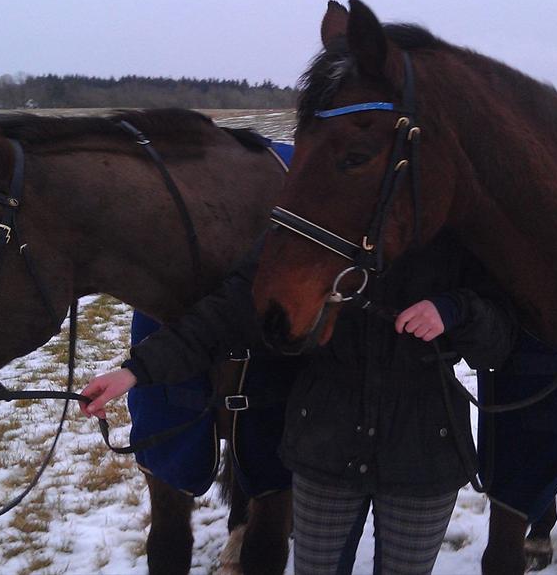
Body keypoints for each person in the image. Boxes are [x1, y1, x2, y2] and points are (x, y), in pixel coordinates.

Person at [81, 228, 517, 575]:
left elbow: (499, 340)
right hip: (325, 451)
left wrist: (455, 310)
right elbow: (229, 309)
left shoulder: (455, 230)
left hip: (423, 452)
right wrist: (136, 370)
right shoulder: (311, 224)